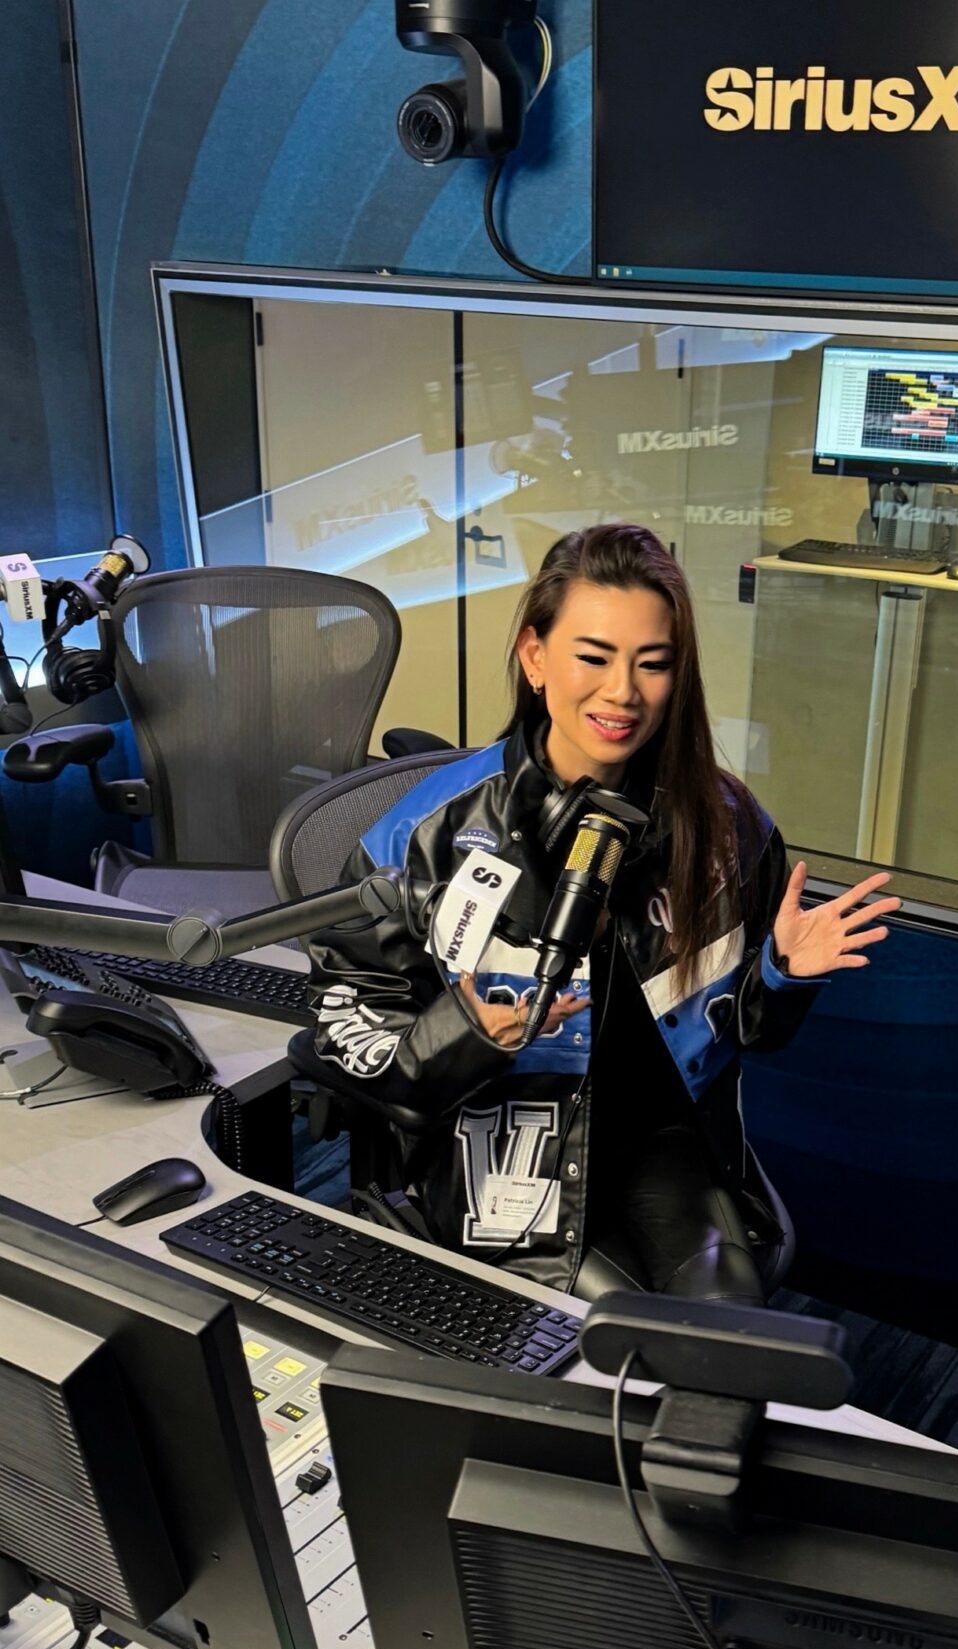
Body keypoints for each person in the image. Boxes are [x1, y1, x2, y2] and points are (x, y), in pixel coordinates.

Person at [298, 522, 899, 1303]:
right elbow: (347, 1028)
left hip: (666, 1150)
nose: (623, 692)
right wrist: (464, 1035)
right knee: (613, 1352)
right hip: (508, 1157)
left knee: (728, 1339)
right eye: (594, 657)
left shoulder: (726, 826)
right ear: (535, 656)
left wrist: (783, 976)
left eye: (653, 664)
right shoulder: (424, 833)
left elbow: (747, 1034)